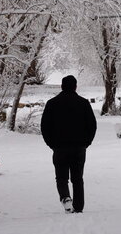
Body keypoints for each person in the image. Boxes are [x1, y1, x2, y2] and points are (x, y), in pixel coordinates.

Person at [41, 75, 97, 214]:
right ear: (75, 87)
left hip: (59, 148)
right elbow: (92, 126)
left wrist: (52, 144)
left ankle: (65, 197)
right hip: (79, 148)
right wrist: (86, 143)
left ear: (62, 86)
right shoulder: (83, 103)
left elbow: (45, 127)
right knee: (77, 178)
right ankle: (78, 207)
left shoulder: (52, 103)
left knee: (61, 177)